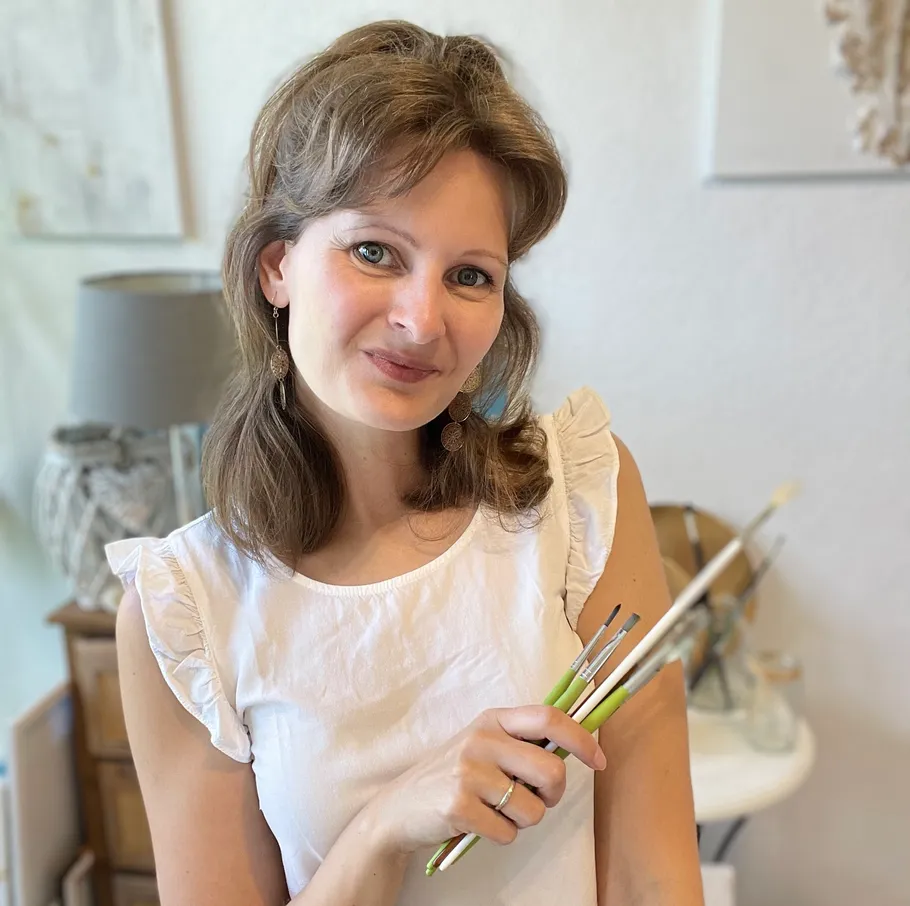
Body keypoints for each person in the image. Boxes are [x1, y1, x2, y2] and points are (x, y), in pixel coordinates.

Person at [107, 19, 703, 906]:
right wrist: (385, 828)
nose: (424, 322)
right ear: (278, 265)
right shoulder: (187, 616)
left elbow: (655, 882)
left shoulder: (582, 500)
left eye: (470, 275)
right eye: (375, 252)